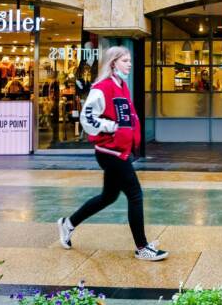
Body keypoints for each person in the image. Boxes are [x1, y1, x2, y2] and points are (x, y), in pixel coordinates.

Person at [56, 46, 168, 261]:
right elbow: (87, 118)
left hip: (120, 151)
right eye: (125, 60)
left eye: (129, 60)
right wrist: (112, 127)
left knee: (109, 196)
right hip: (110, 152)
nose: (129, 63)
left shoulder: (122, 86)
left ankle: (67, 224)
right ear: (113, 63)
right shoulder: (102, 87)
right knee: (135, 194)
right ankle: (142, 247)